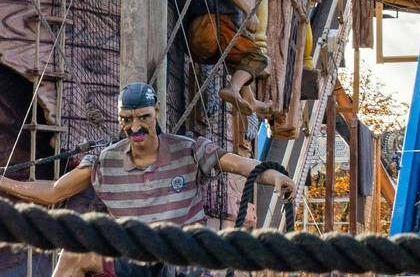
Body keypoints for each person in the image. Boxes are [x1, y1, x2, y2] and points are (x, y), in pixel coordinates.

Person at [0, 82, 294, 277]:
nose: (135, 127)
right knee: (76, 254)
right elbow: (52, 192)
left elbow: (237, 163)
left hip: (182, 259)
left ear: (157, 113)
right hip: (137, 259)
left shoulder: (187, 149)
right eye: (127, 120)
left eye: (143, 117)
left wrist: (272, 175)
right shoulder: (105, 161)